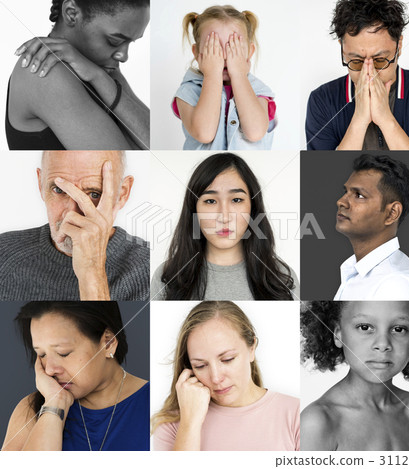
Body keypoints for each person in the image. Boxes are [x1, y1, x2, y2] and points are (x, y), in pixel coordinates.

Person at [300, 300, 409, 451]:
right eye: (365, 327)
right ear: (338, 334)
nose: (383, 344)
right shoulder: (318, 422)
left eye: (399, 329)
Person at [0, 150, 149, 301]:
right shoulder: (3, 253)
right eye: (59, 190)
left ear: (122, 194)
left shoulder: (147, 269)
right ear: (40, 184)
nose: (71, 214)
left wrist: (92, 272)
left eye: (93, 194)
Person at [152, 301, 299, 451]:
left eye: (227, 359)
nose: (216, 378)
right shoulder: (172, 425)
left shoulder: (295, 415)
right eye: (200, 366)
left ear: (252, 348)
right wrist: (190, 424)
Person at [2, 301, 149, 451]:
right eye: (42, 354)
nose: (50, 370)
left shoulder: (155, 402)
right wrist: (55, 405)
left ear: (108, 342)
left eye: (63, 353)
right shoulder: (31, 409)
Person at [150, 153, 299, 300]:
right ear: (194, 210)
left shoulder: (283, 279)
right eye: (210, 201)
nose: (224, 217)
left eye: (236, 200)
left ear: (252, 208)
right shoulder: (167, 278)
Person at [305, 0, 409, 150]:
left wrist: (386, 120)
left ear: (398, 46)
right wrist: (359, 120)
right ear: (343, 50)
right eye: (356, 61)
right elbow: (321, 173)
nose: (369, 73)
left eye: (380, 60)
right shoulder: (321, 100)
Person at [6, 0, 150, 150]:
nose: (124, 56)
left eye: (130, 42)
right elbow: (126, 167)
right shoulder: (47, 72)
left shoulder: (101, 69)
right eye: (114, 41)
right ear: (71, 13)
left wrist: (98, 76)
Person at [173, 5, 276, 150]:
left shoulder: (258, 90)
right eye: (214, 48)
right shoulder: (187, 91)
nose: (224, 56)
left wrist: (239, 75)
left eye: (233, 47)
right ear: (197, 53)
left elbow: (256, 132)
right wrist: (212, 75)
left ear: (249, 52)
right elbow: (204, 133)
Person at [334, 153, 409, 300]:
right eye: (346, 192)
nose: (341, 201)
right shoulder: (360, 272)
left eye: (359, 195)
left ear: (392, 213)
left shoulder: (397, 285)